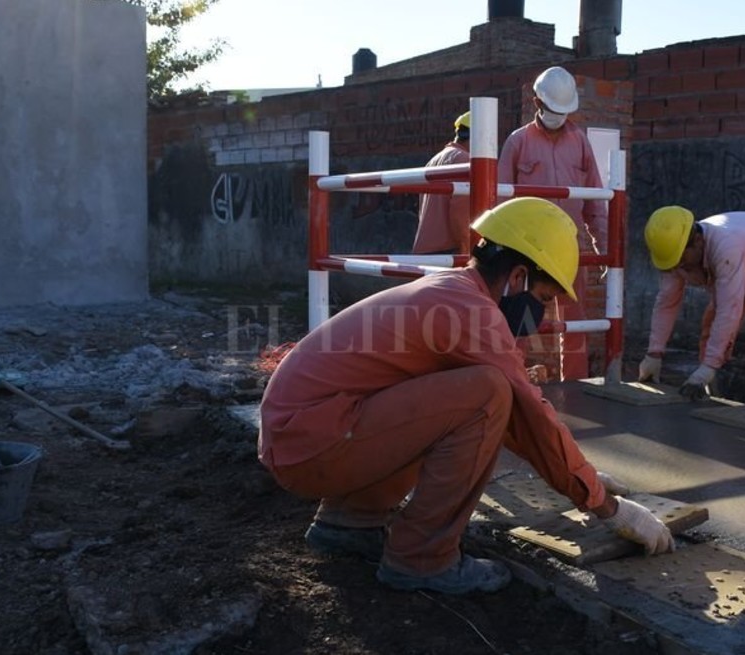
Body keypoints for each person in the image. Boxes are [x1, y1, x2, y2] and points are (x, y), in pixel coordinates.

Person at [258, 197, 674, 596]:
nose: (542, 312)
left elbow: (507, 424)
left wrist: (581, 477)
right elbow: (527, 412)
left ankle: (349, 523)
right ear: (518, 278)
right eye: (545, 298)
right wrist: (608, 508)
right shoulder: (474, 313)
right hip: (310, 446)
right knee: (490, 390)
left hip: (305, 434)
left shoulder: (455, 292)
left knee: (485, 396)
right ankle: (422, 558)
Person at [497, 66, 607, 381]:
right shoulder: (518, 142)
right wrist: (505, 254)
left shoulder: (581, 143)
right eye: (553, 109)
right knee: (519, 320)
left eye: (564, 110)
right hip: (528, 250)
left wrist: (604, 250)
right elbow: (501, 202)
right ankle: (513, 382)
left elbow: (595, 202)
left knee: (574, 324)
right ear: (537, 103)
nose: (559, 116)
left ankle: (574, 384)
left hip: (569, 248)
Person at [637, 206, 745, 404]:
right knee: (711, 320)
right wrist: (654, 353)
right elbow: (666, 303)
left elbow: (728, 310)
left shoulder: (726, 248)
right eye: (673, 263)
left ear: (697, 241)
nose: (679, 267)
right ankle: (707, 388)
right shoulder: (674, 254)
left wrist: (709, 366)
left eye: (681, 260)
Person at [412, 111, 471, 254]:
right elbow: (460, 214)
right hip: (449, 250)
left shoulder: (433, 160)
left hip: (424, 249)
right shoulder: (465, 161)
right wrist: (466, 250)